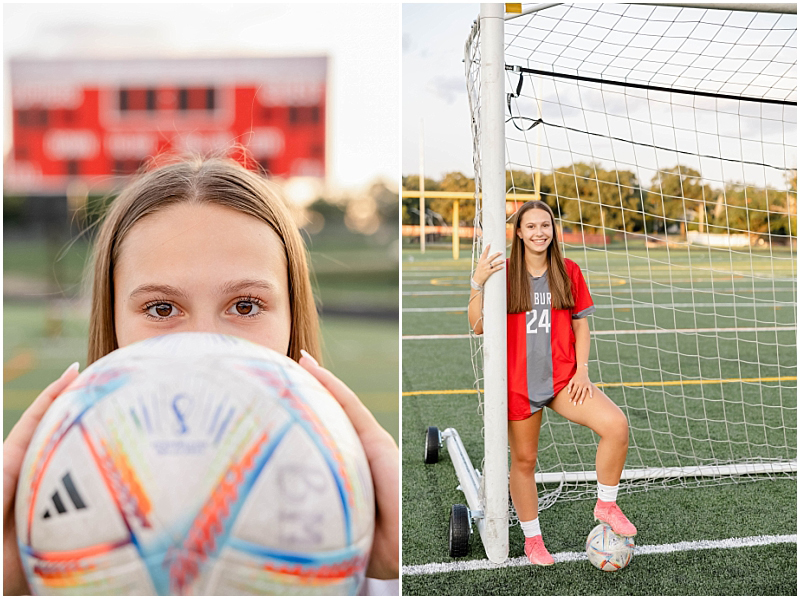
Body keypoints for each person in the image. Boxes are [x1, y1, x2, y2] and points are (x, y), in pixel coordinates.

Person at [3, 156, 399, 594]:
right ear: (111, 320)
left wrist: (379, 559)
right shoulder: (49, 555)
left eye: (245, 306)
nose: (203, 348)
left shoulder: (376, 570)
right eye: (161, 308)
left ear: (292, 315)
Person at [468, 200, 635, 566]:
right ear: (519, 232)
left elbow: (580, 325)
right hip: (518, 384)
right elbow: (477, 325)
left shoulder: (568, 270)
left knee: (616, 426)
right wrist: (478, 282)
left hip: (563, 380)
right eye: (531, 226)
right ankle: (533, 541)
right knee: (525, 461)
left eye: (545, 225)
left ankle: (606, 504)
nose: (539, 232)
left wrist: (582, 370)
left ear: (553, 230)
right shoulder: (505, 273)